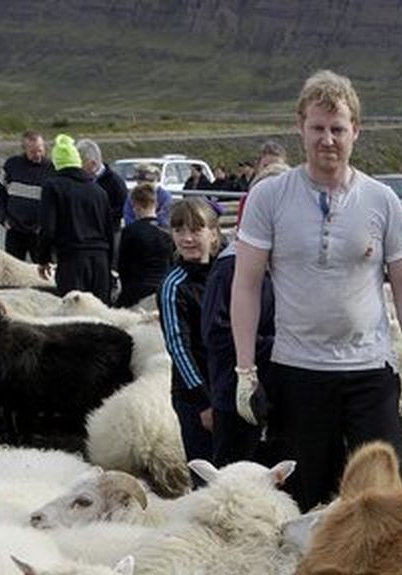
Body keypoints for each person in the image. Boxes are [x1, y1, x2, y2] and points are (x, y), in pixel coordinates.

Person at [230, 70, 402, 512]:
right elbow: (245, 284)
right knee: (306, 496)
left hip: (369, 370)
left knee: (383, 496)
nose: (328, 140)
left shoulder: (381, 201)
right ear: (300, 126)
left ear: (355, 132)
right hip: (299, 369)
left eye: (338, 129)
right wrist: (246, 372)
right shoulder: (270, 198)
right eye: (318, 128)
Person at [203, 162, 285, 467]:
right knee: (238, 476)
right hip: (238, 394)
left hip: (284, 391)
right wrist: (279, 346)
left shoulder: (292, 264)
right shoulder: (229, 267)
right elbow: (218, 334)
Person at [160, 197, 223, 467]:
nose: (187, 238)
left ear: (213, 233)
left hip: (231, 388)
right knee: (207, 474)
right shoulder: (173, 285)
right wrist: (203, 401)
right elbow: (178, 346)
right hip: (196, 395)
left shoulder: (226, 274)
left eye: (196, 230)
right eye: (179, 231)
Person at [35, 134, 114, 302]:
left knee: (75, 318)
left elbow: (48, 228)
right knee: (101, 317)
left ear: (57, 163)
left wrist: (43, 258)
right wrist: (109, 264)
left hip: (72, 260)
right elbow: (109, 230)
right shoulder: (99, 191)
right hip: (100, 260)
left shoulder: (53, 186)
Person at [0, 131, 53, 261]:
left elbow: (54, 203)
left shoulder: (52, 169)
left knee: (43, 269)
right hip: (14, 229)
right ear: (24, 149)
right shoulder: (12, 165)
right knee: (12, 268)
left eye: (40, 150)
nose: (37, 155)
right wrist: (3, 219)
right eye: (33, 152)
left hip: (39, 232)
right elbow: (0, 194)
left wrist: (46, 226)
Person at [116, 182, 173, 309]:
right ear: (155, 204)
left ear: (136, 206)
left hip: (137, 289)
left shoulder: (130, 231)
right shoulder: (167, 231)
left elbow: (123, 266)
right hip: (161, 288)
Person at [77, 140, 128, 261]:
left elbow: (121, 208)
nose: (79, 169)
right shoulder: (82, 181)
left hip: (108, 235)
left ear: (93, 164)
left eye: (81, 165)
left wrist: (98, 216)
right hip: (86, 236)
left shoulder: (115, 183)